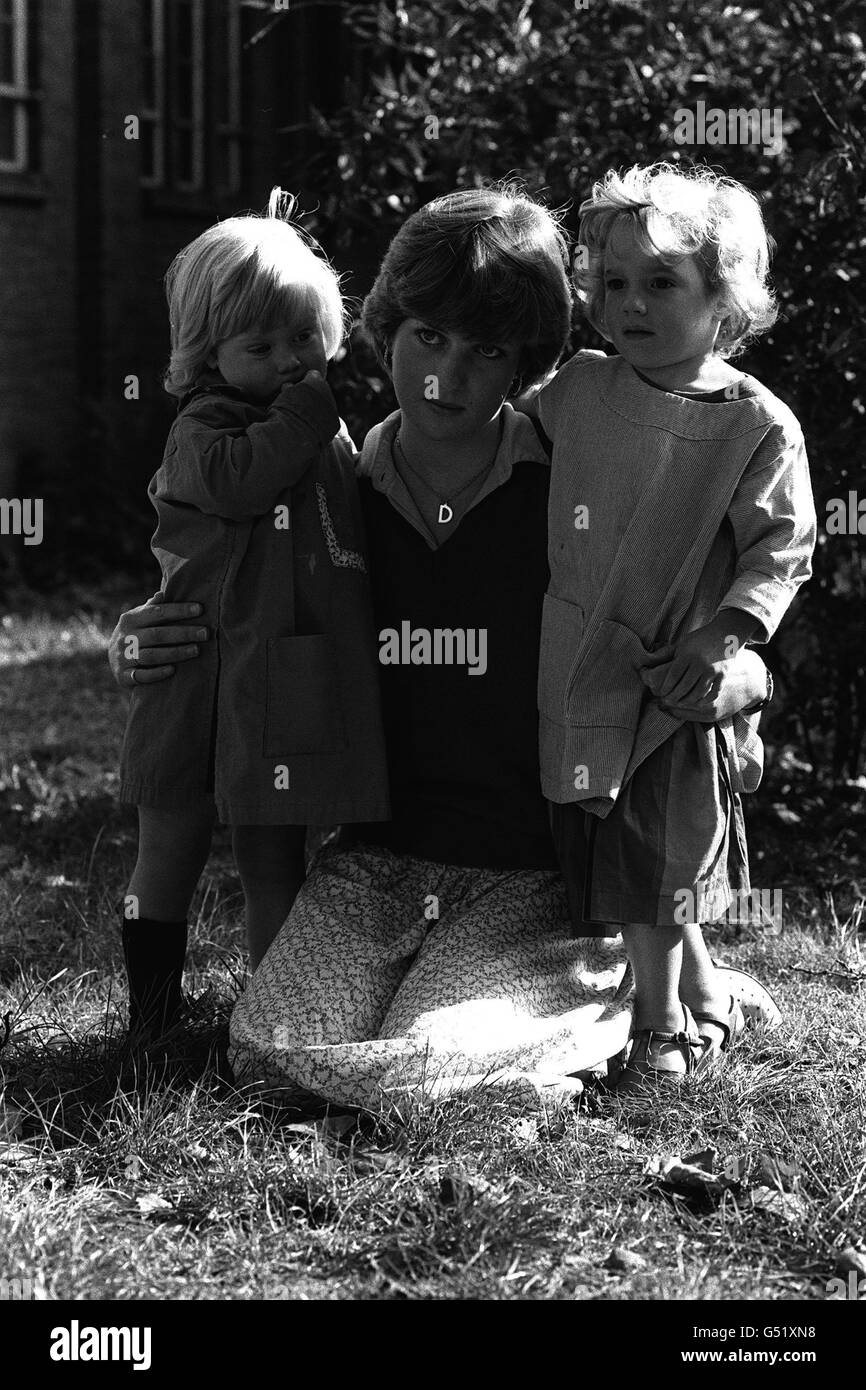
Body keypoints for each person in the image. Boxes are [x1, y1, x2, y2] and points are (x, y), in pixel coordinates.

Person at [109, 185, 775, 1109]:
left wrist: (744, 666)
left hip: (533, 874)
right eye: (428, 337)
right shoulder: (330, 483)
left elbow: (706, 609)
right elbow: (219, 582)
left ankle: (638, 997)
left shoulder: (576, 484)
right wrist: (144, 636)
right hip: (377, 863)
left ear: (529, 366)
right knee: (263, 1049)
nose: (446, 379)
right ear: (383, 333)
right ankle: (494, 1052)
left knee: (433, 1063)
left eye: (487, 351)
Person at [534, 164, 815, 1090]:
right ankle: (706, 989)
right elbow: (503, 439)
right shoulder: (577, 388)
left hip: (677, 673)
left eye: (662, 283)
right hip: (585, 657)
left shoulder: (752, 422)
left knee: (660, 846)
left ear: (724, 299)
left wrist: (727, 633)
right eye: (613, 283)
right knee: (616, 841)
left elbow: (783, 545)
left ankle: (658, 1029)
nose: (631, 305)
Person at [118, 189, 389, 1045]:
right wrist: (308, 417)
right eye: (259, 345)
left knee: (279, 857)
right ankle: (153, 1016)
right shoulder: (209, 427)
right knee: (171, 842)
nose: (287, 360)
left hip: (282, 678)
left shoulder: (322, 432)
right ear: (207, 353)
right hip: (193, 679)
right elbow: (240, 482)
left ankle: (272, 1023)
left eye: (303, 337)